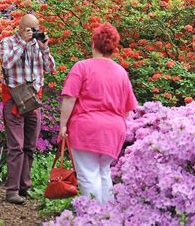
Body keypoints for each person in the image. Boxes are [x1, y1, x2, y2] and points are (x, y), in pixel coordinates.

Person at [59, 22, 137, 204]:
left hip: (86, 128)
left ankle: (92, 218)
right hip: (114, 131)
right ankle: (108, 218)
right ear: (113, 47)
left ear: (93, 43)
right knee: (104, 173)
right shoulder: (121, 72)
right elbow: (127, 108)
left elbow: (70, 98)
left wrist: (63, 125)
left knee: (88, 175)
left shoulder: (82, 67)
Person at [0, 14, 55, 204]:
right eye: (30, 28)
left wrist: (45, 48)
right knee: (16, 146)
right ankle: (12, 191)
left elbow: (50, 68)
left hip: (33, 100)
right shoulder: (8, 42)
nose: (34, 31)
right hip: (14, 99)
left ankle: (25, 187)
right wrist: (23, 43)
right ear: (21, 28)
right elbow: (7, 63)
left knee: (30, 146)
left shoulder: (38, 45)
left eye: (37, 27)